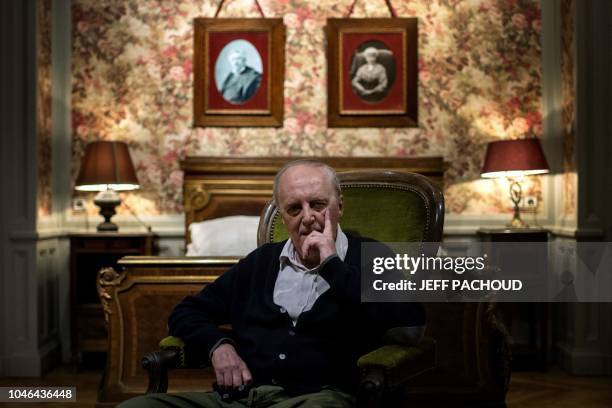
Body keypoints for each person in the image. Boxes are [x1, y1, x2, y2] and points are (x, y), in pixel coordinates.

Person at [119, 160, 425, 408]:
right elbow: (186, 312)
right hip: (240, 397)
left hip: (319, 398)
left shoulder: (371, 256)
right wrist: (218, 346)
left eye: (318, 204)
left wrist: (332, 266)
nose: (308, 218)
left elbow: (410, 326)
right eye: (294, 208)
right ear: (283, 215)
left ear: (339, 206)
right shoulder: (262, 262)